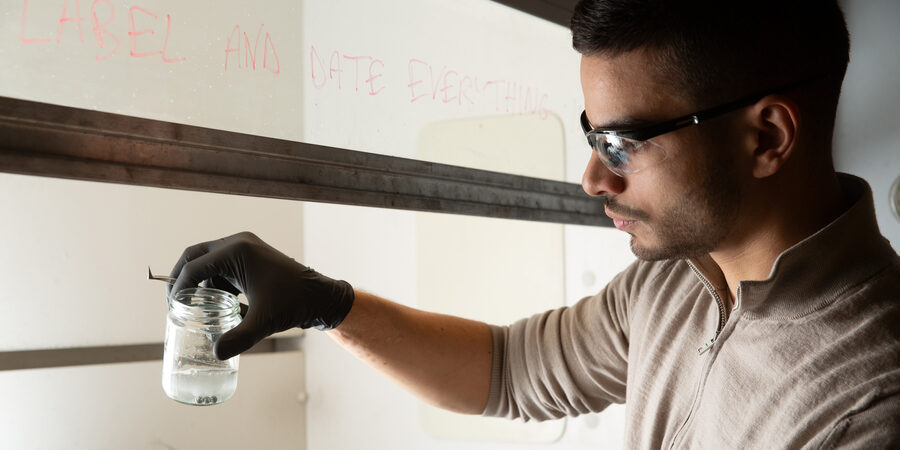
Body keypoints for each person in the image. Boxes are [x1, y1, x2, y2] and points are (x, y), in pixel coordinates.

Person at [168, 0, 900, 447]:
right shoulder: (673, 287)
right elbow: (508, 371)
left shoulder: (870, 399)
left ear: (767, 138)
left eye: (623, 144)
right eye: (592, 135)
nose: (593, 179)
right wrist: (324, 303)